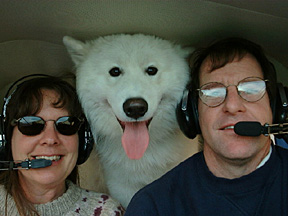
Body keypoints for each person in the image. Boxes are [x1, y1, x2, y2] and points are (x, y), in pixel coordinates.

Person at [125, 37, 288, 215]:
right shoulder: (153, 206)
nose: (232, 106)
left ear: (275, 106)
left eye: (251, 89)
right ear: (193, 114)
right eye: (213, 92)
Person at [0, 75, 124, 216]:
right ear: (7, 140)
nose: (51, 139)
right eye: (32, 124)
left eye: (66, 125)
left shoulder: (107, 212)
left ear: (82, 141)